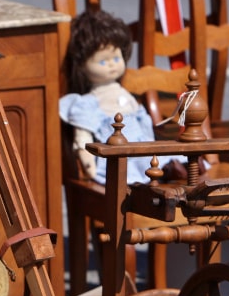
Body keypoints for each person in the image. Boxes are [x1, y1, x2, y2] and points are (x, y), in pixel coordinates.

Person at [58, 9, 187, 186]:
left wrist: (151, 145)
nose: (112, 65)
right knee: (136, 167)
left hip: (142, 148)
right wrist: (88, 163)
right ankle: (167, 169)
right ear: (81, 65)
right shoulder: (87, 103)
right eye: (103, 61)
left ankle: (173, 166)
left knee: (158, 157)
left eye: (116, 58)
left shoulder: (125, 94)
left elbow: (143, 124)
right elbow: (82, 136)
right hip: (120, 156)